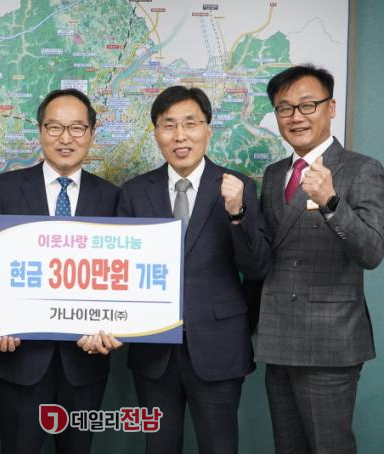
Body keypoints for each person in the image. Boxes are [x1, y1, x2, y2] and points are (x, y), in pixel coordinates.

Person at [0, 88, 121, 454]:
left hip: (86, 362)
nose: (65, 138)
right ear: (40, 131)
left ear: (91, 133)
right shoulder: (5, 189)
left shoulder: (110, 196)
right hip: (21, 358)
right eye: (54, 127)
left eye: (77, 128)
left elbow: (118, 278)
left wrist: (114, 329)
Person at [116, 85, 271, 454]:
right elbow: (120, 271)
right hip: (153, 349)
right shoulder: (135, 192)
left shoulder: (238, 187)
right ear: (156, 133)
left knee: (219, 447)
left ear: (208, 130)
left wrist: (237, 214)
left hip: (218, 344)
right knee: (159, 447)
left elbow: (257, 267)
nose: (180, 135)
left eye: (190, 123)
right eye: (168, 125)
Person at [255, 64, 384, 454]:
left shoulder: (362, 169)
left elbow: (372, 252)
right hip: (277, 337)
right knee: (288, 447)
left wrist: (331, 202)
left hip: (329, 342)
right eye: (284, 108)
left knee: (330, 448)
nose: (296, 117)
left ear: (331, 107)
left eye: (307, 105)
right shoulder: (274, 173)